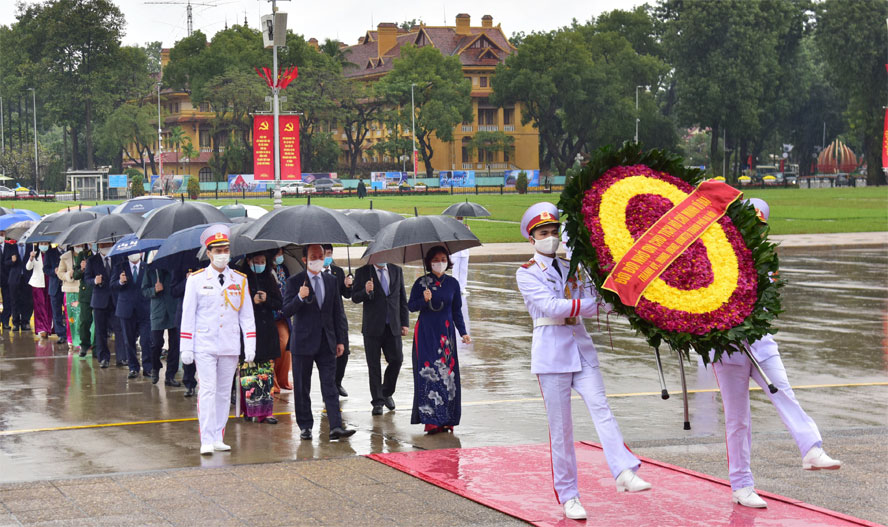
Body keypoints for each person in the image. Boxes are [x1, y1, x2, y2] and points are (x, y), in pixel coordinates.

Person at [515, 202, 651, 521]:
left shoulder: (573, 266)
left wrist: (624, 299)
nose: (551, 237)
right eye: (543, 233)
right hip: (552, 355)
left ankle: (624, 471)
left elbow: (600, 298)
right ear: (531, 239)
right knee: (561, 431)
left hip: (581, 348)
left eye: (554, 231)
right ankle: (569, 494)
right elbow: (551, 306)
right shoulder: (527, 273)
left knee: (601, 408)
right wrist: (592, 304)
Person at [711, 198, 841, 509]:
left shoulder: (768, 257)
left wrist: (751, 319)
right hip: (727, 348)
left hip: (760, 341)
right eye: (749, 225)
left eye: (759, 226)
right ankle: (741, 485)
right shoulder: (716, 253)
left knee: (784, 392)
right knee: (737, 420)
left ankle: (811, 449)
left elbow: (769, 301)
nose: (754, 232)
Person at [180, 224, 256, 455]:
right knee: (207, 390)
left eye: (226, 249)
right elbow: (188, 314)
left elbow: (247, 316)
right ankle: (206, 437)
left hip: (229, 345)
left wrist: (250, 345)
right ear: (209, 253)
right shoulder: (196, 279)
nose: (223, 254)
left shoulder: (239, 280)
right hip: (204, 344)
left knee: (224, 393)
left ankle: (218, 435)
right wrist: (186, 346)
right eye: (218, 250)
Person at [282, 244, 354, 441]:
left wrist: (340, 340)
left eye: (321, 256)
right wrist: (299, 297)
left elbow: (337, 312)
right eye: (314, 256)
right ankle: (305, 426)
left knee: (330, 386)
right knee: (302, 386)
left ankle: (336, 426)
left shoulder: (331, 281)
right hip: (303, 342)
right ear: (305, 259)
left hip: (327, 341)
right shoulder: (295, 281)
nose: (318, 259)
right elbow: (286, 310)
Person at [407, 246, 471, 434]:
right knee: (429, 373)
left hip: (446, 335)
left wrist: (463, 332)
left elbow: (456, 311)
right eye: (436, 259)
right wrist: (423, 300)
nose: (440, 262)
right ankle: (431, 420)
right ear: (429, 262)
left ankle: (447, 419)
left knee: (447, 375)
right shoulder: (422, 283)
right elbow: (411, 306)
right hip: (426, 333)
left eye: (443, 258)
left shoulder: (453, 283)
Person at [351, 259, 409, 416]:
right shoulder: (363, 272)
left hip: (393, 326)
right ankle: (377, 401)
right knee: (374, 365)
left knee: (397, 359)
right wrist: (366, 291)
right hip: (373, 327)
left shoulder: (396, 270)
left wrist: (405, 323)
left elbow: (401, 298)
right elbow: (354, 297)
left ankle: (386, 392)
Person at [237, 251, 282, 424]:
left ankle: (265, 412)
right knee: (249, 371)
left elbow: (279, 303)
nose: (260, 264)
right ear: (248, 261)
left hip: (266, 330)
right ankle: (249, 410)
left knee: (264, 372)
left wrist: (266, 299)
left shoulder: (269, 279)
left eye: (263, 261)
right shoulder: (241, 280)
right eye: (256, 261)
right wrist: (252, 302)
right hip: (248, 331)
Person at [113, 252, 153, 379]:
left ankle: (148, 368)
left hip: (144, 308)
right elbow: (112, 285)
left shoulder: (147, 267)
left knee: (146, 340)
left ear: (141, 253)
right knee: (129, 340)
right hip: (126, 309)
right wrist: (120, 281)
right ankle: (133, 367)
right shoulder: (120, 267)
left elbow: (150, 286)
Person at [141, 264, 182, 386]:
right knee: (156, 343)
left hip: (173, 309)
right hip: (158, 311)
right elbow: (144, 290)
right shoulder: (151, 269)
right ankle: (155, 367)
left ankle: (170, 376)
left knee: (175, 345)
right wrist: (154, 290)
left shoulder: (175, 267)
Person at [322, 244, 353, 397]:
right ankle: (328, 386)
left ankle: (338, 382)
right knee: (327, 354)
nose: (328, 256)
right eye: (326, 253)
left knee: (344, 352)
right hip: (323, 318)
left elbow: (346, 295)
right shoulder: (314, 273)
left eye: (330, 253)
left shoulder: (337, 271)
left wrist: (348, 285)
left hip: (339, 318)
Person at [84, 241, 117, 368]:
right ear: (99, 246)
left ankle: (122, 358)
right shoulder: (92, 260)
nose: (105, 247)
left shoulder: (117, 258)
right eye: (103, 244)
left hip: (115, 299)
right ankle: (103, 358)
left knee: (118, 329)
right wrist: (94, 281)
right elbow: (87, 279)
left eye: (108, 244)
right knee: (100, 331)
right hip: (99, 301)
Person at [269, 248, 292, 392]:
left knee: (286, 344)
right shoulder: (264, 271)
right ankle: (272, 382)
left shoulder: (283, 269)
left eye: (281, 252)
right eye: (277, 253)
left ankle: (283, 379)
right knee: (271, 348)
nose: (280, 256)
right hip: (269, 314)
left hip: (284, 313)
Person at [56, 246, 82, 351]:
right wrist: (68, 274)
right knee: (71, 317)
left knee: (83, 317)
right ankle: (71, 340)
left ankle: (83, 340)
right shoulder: (65, 257)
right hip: (70, 290)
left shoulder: (87, 256)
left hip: (83, 291)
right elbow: (60, 273)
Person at [26, 243, 53, 338]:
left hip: (49, 282)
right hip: (37, 283)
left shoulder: (52, 254)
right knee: (39, 306)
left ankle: (49, 327)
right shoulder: (35, 253)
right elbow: (28, 267)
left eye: (45, 243)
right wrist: (31, 258)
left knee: (48, 306)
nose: (43, 245)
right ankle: (41, 329)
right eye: (42, 243)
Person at [72, 244, 94, 358]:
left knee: (101, 322)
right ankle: (84, 344)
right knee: (85, 320)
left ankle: (98, 345)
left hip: (101, 291)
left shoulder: (106, 255)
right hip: (86, 293)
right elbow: (75, 275)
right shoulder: (83, 255)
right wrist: (82, 269)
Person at [5, 240, 33, 332]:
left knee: (27, 300)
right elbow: (5, 262)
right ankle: (15, 323)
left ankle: (25, 321)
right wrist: (12, 261)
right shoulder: (11, 247)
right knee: (14, 300)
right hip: (14, 278)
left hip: (27, 277)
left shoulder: (31, 246)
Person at [43, 244, 66, 341]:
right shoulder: (50, 252)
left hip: (67, 285)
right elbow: (45, 269)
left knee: (70, 311)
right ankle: (61, 334)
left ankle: (71, 333)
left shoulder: (70, 251)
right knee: (56, 312)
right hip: (55, 286)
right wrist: (53, 271)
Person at [0, 230, 12, 329]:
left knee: (7, 301)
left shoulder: (10, 247)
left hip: (7, 278)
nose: (1, 235)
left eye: (2, 233)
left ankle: (5, 321)